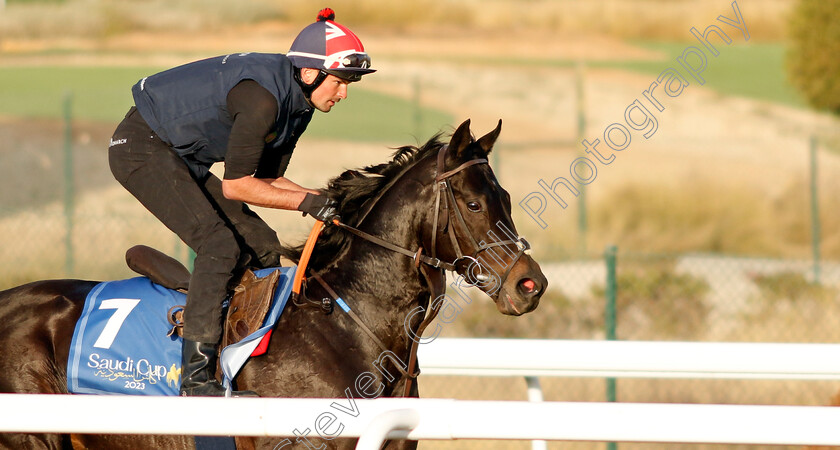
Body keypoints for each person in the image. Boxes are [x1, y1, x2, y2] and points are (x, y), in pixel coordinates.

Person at [107, 8, 374, 397]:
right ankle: (196, 378)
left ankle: (253, 354)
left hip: (181, 157)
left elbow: (266, 177)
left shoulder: (297, 106)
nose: (344, 93)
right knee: (218, 244)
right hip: (139, 149)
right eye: (340, 81)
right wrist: (305, 203)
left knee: (262, 244)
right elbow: (236, 186)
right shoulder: (264, 100)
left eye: (350, 82)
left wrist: (321, 199)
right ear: (310, 73)